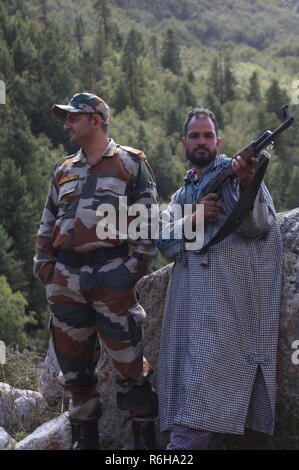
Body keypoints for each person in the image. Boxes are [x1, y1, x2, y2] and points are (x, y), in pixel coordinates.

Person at [34, 93, 158, 450]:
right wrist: (45, 268)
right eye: (66, 118)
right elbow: (48, 220)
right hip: (66, 280)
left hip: (111, 275)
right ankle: (85, 442)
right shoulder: (64, 169)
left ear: (95, 120)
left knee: (130, 369)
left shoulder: (130, 164)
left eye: (73, 118)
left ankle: (142, 447)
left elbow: (147, 219)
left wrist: (134, 268)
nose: (67, 125)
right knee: (75, 375)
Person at [156, 107, 283, 450]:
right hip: (190, 316)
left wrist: (246, 182)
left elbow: (260, 226)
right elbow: (164, 244)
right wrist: (194, 216)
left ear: (218, 140)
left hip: (226, 311)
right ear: (184, 142)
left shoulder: (235, 174)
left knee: (199, 411)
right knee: (195, 402)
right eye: (194, 136)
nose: (201, 141)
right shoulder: (184, 194)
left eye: (207, 135)